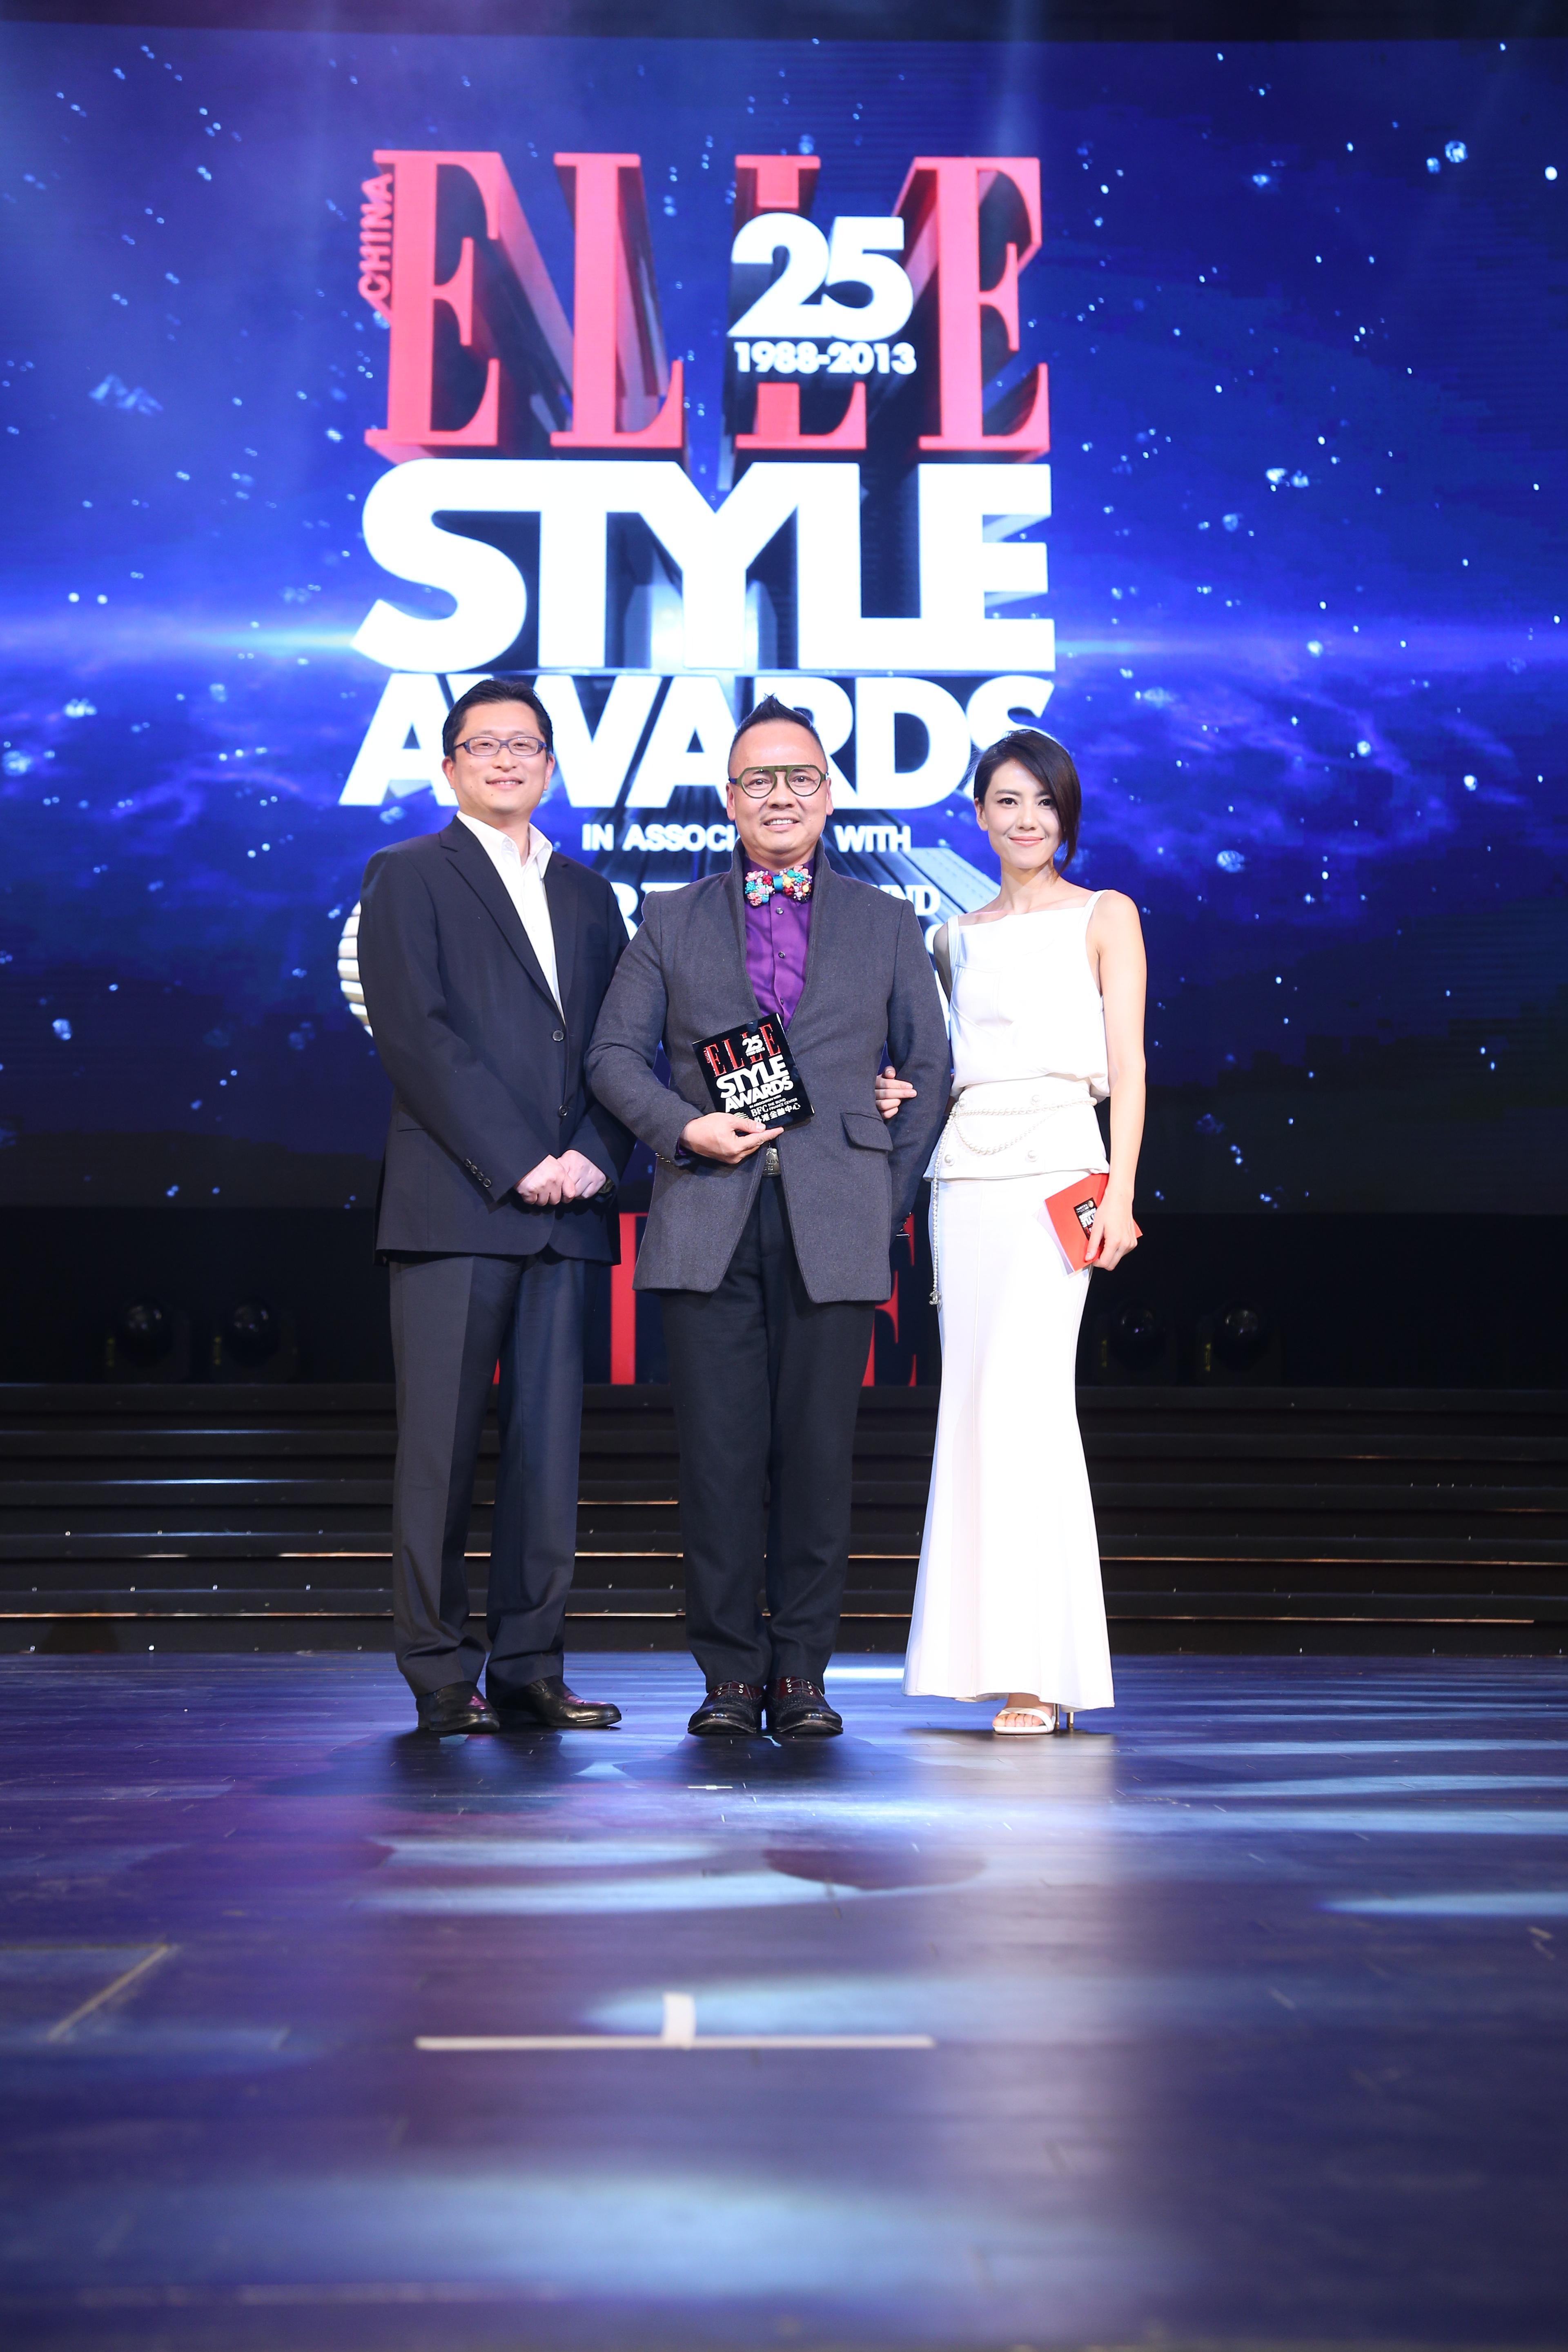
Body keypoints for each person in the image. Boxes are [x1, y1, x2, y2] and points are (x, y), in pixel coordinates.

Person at [585, 695, 950, 1738]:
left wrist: (881, 1195)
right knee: (719, 1462)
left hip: (837, 1219)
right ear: (730, 799)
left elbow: (928, 1070)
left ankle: (801, 1676)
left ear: (828, 797)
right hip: (708, 1215)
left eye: (799, 778)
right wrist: (683, 1129)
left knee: (818, 1459)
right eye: (759, 780)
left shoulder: (886, 922)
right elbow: (613, 1057)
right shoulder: (670, 917)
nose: (779, 796)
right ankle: (729, 1677)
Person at [356, 677, 633, 1736]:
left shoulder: (590, 895)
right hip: (456, 1204)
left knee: (547, 1457)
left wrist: (594, 1155)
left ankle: (529, 1667)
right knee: (439, 1451)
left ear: (552, 766)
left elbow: (619, 1045)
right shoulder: (408, 874)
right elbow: (416, 1035)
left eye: (526, 745)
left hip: (569, 1210)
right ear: (449, 767)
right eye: (485, 745)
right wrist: (521, 1161)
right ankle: (439, 1672)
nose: (507, 760)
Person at [877, 728, 1146, 1734]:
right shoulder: (952, 937)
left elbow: (1131, 1065)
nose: (1026, 819)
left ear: (1065, 815)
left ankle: (1044, 1669)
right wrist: (898, 1091)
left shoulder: (1106, 914)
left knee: (1032, 1406)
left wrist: (1121, 1193)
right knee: (975, 1412)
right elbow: (945, 1068)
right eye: (1007, 801)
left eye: (1043, 801)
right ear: (980, 814)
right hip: (965, 1180)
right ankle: (980, 1657)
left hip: (1059, 1174)